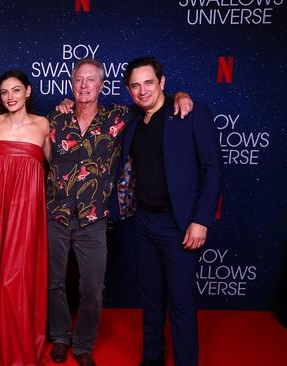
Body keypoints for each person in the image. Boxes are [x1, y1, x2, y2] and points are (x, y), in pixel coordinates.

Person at [47, 58, 194, 366]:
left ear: (103, 86)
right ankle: (60, 336)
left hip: (94, 218)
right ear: (71, 85)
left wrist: (181, 94)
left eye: (91, 80)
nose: (84, 85)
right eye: (78, 80)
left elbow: (152, 101)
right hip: (56, 215)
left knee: (93, 287)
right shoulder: (55, 120)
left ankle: (84, 344)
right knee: (54, 282)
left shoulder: (119, 116)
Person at [116, 57, 222, 366]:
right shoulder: (133, 121)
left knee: (181, 302)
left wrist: (201, 221)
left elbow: (213, 169)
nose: (142, 90)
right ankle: (152, 358)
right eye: (135, 85)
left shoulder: (189, 112)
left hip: (179, 224)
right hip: (144, 221)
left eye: (149, 83)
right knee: (150, 298)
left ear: (162, 83)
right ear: (128, 90)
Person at [0, 69, 50, 366]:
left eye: (16, 90)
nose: (10, 97)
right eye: (5, 92)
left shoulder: (44, 124)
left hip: (28, 209)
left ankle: (19, 342)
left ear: (28, 91)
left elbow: (57, 164)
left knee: (18, 274)